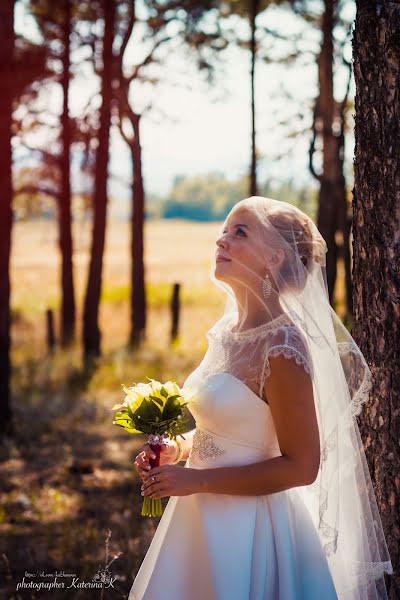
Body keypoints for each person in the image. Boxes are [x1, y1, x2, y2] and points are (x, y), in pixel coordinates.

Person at [129, 196, 393, 600]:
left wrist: (196, 480)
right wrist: (176, 451)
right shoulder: (227, 333)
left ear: (275, 257)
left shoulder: (283, 346)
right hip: (198, 520)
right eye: (224, 229)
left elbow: (302, 467)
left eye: (240, 232)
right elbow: (223, 430)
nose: (221, 240)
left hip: (252, 530)